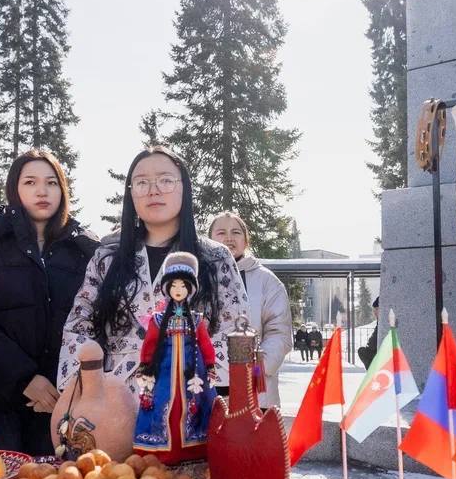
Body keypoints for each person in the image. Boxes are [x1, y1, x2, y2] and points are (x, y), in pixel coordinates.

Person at [57, 146, 246, 433]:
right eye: (142, 182)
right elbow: (78, 328)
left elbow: (236, 330)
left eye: (166, 180)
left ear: (184, 188)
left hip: (190, 404)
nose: (153, 190)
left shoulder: (215, 258)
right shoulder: (107, 258)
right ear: (131, 193)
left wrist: (193, 375)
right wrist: (92, 389)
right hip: (114, 407)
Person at [0, 149, 98, 456]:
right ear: (14, 189)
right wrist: (23, 379)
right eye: (30, 182)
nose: (42, 191)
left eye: (51, 183)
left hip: (62, 406)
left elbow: (96, 321)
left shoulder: (84, 253)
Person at [134, 253, 217, 462]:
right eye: (173, 285)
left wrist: (210, 365)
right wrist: (145, 365)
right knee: (162, 404)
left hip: (193, 371)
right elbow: (150, 344)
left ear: (190, 289)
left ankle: (194, 449)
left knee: (194, 405)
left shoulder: (196, 319)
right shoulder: (158, 319)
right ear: (167, 289)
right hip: (164, 370)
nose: (178, 290)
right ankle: (161, 450)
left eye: (183, 286)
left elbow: (205, 344)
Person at [208, 211, 292, 407]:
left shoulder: (267, 281)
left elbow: (279, 333)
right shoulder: (196, 278)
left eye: (236, 232)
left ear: (246, 241)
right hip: (207, 387)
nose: (229, 238)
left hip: (254, 388)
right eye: (221, 232)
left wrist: (256, 370)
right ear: (209, 240)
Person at [357, 297, 380, 368]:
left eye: (376, 309)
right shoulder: (379, 323)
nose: (374, 312)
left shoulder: (382, 323)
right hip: (374, 351)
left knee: (362, 351)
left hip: (377, 353)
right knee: (362, 351)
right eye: (374, 310)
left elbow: (375, 340)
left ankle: (372, 370)